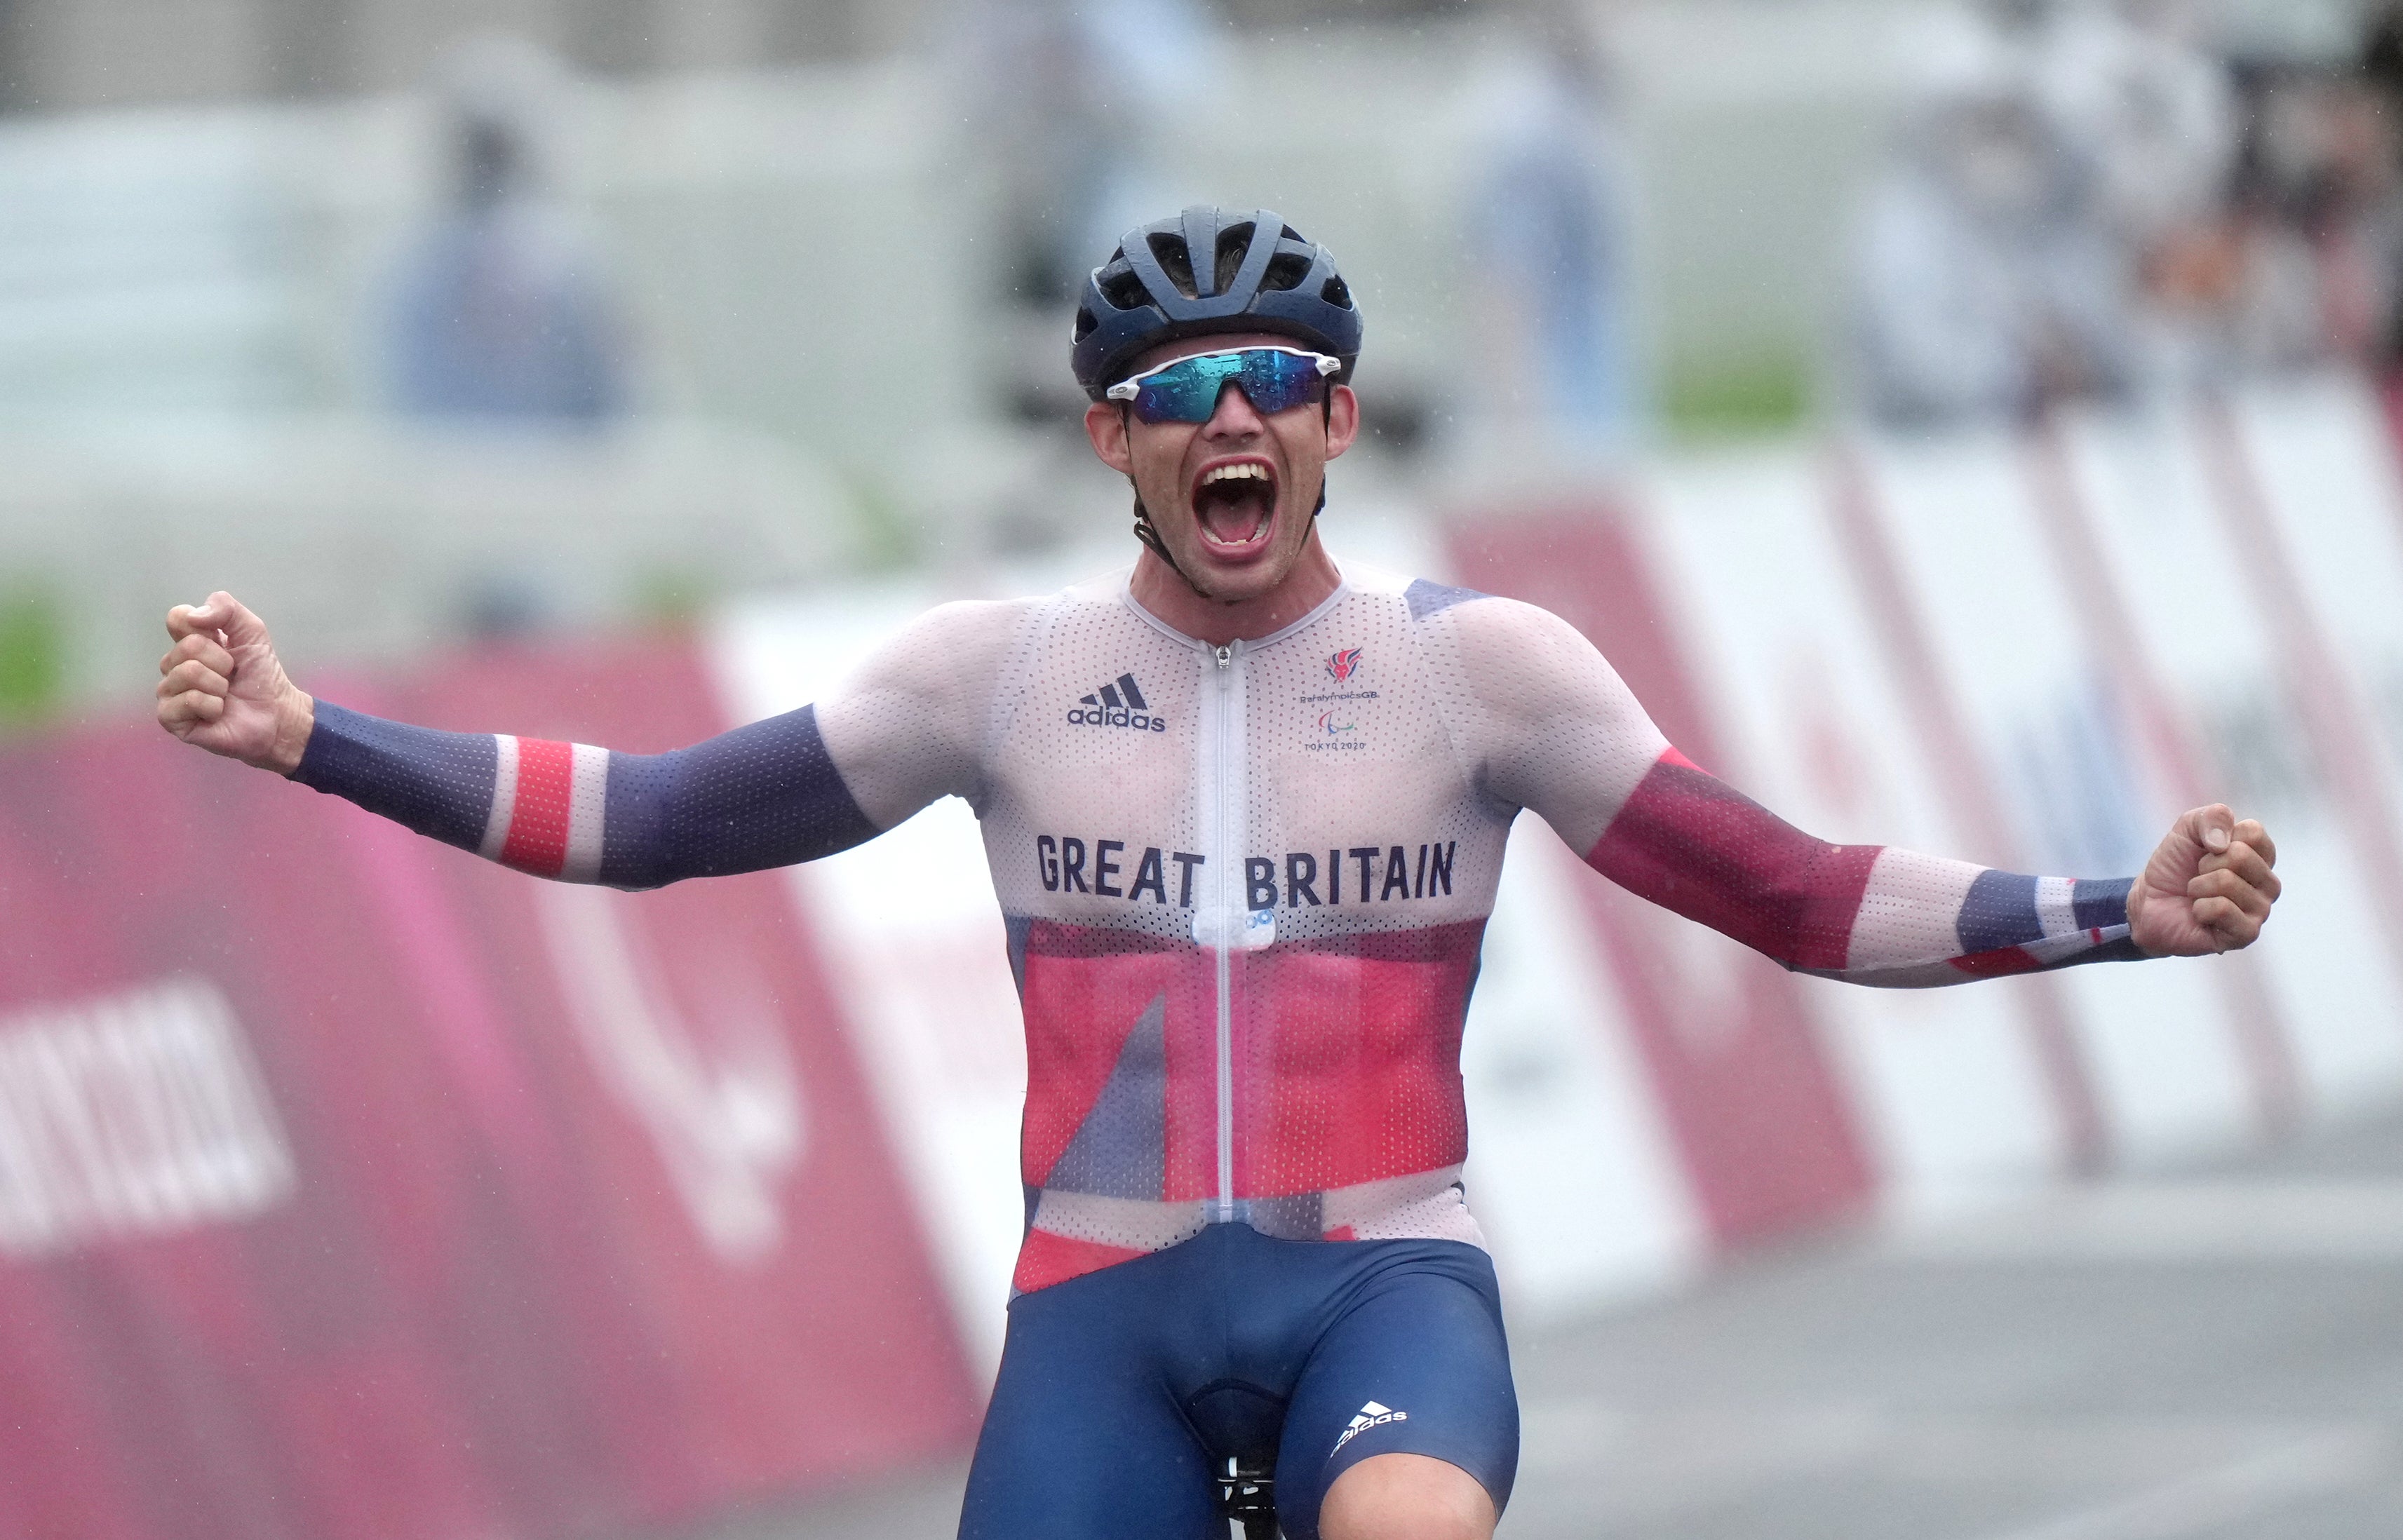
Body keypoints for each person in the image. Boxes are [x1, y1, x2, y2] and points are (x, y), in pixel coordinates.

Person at [156, 206, 2282, 1540]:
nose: (1223, 419)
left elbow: (1795, 893)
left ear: (1336, 421)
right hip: (1102, 1307)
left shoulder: (1480, 673)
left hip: (1380, 1278)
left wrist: (2114, 904)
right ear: (1111, 443)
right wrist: (309, 734)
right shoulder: (995, 677)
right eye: (1172, 393)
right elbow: (653, 819)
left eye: (1268, 384)